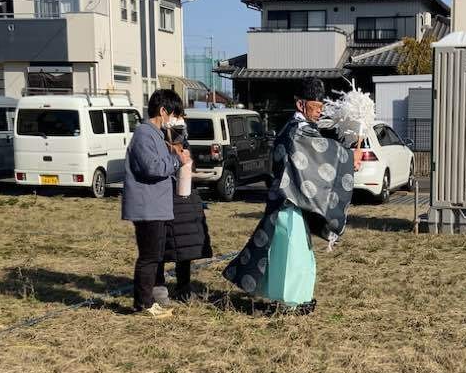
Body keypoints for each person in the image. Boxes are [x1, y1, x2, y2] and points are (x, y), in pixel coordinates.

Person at [223, 77, 361, 315]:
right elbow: (323, 154)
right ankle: (290, 303)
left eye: (321, 107)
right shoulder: (297, 131)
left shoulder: (298, 129)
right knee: (292, 256)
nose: (319, 112)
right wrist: (348, 159)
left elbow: (317, 158)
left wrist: (347, 158)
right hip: (287, 202)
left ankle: (296, 299)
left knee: (292, 254)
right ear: (300, 104)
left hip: (289, 202)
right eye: (315, 107)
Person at [122, 88, 190, 318]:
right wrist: (177, 161)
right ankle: (143, 304)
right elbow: (153, 167)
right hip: (147, 207)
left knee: (154, 255)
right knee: (149, 257)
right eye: (173, 114)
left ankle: (147, 301)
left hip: (156, 206)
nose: (174, 119)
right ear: (162, 111)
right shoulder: (144, 134)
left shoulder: (157, 135)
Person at [153, 112, 213, 305]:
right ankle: (162, 288)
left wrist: (187, 167)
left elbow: (187, 167)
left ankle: (182, 287)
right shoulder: (157, 142)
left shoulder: (182, 143)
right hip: (166, 199)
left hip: (184, 200)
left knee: (183, 249)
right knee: (162, 247)